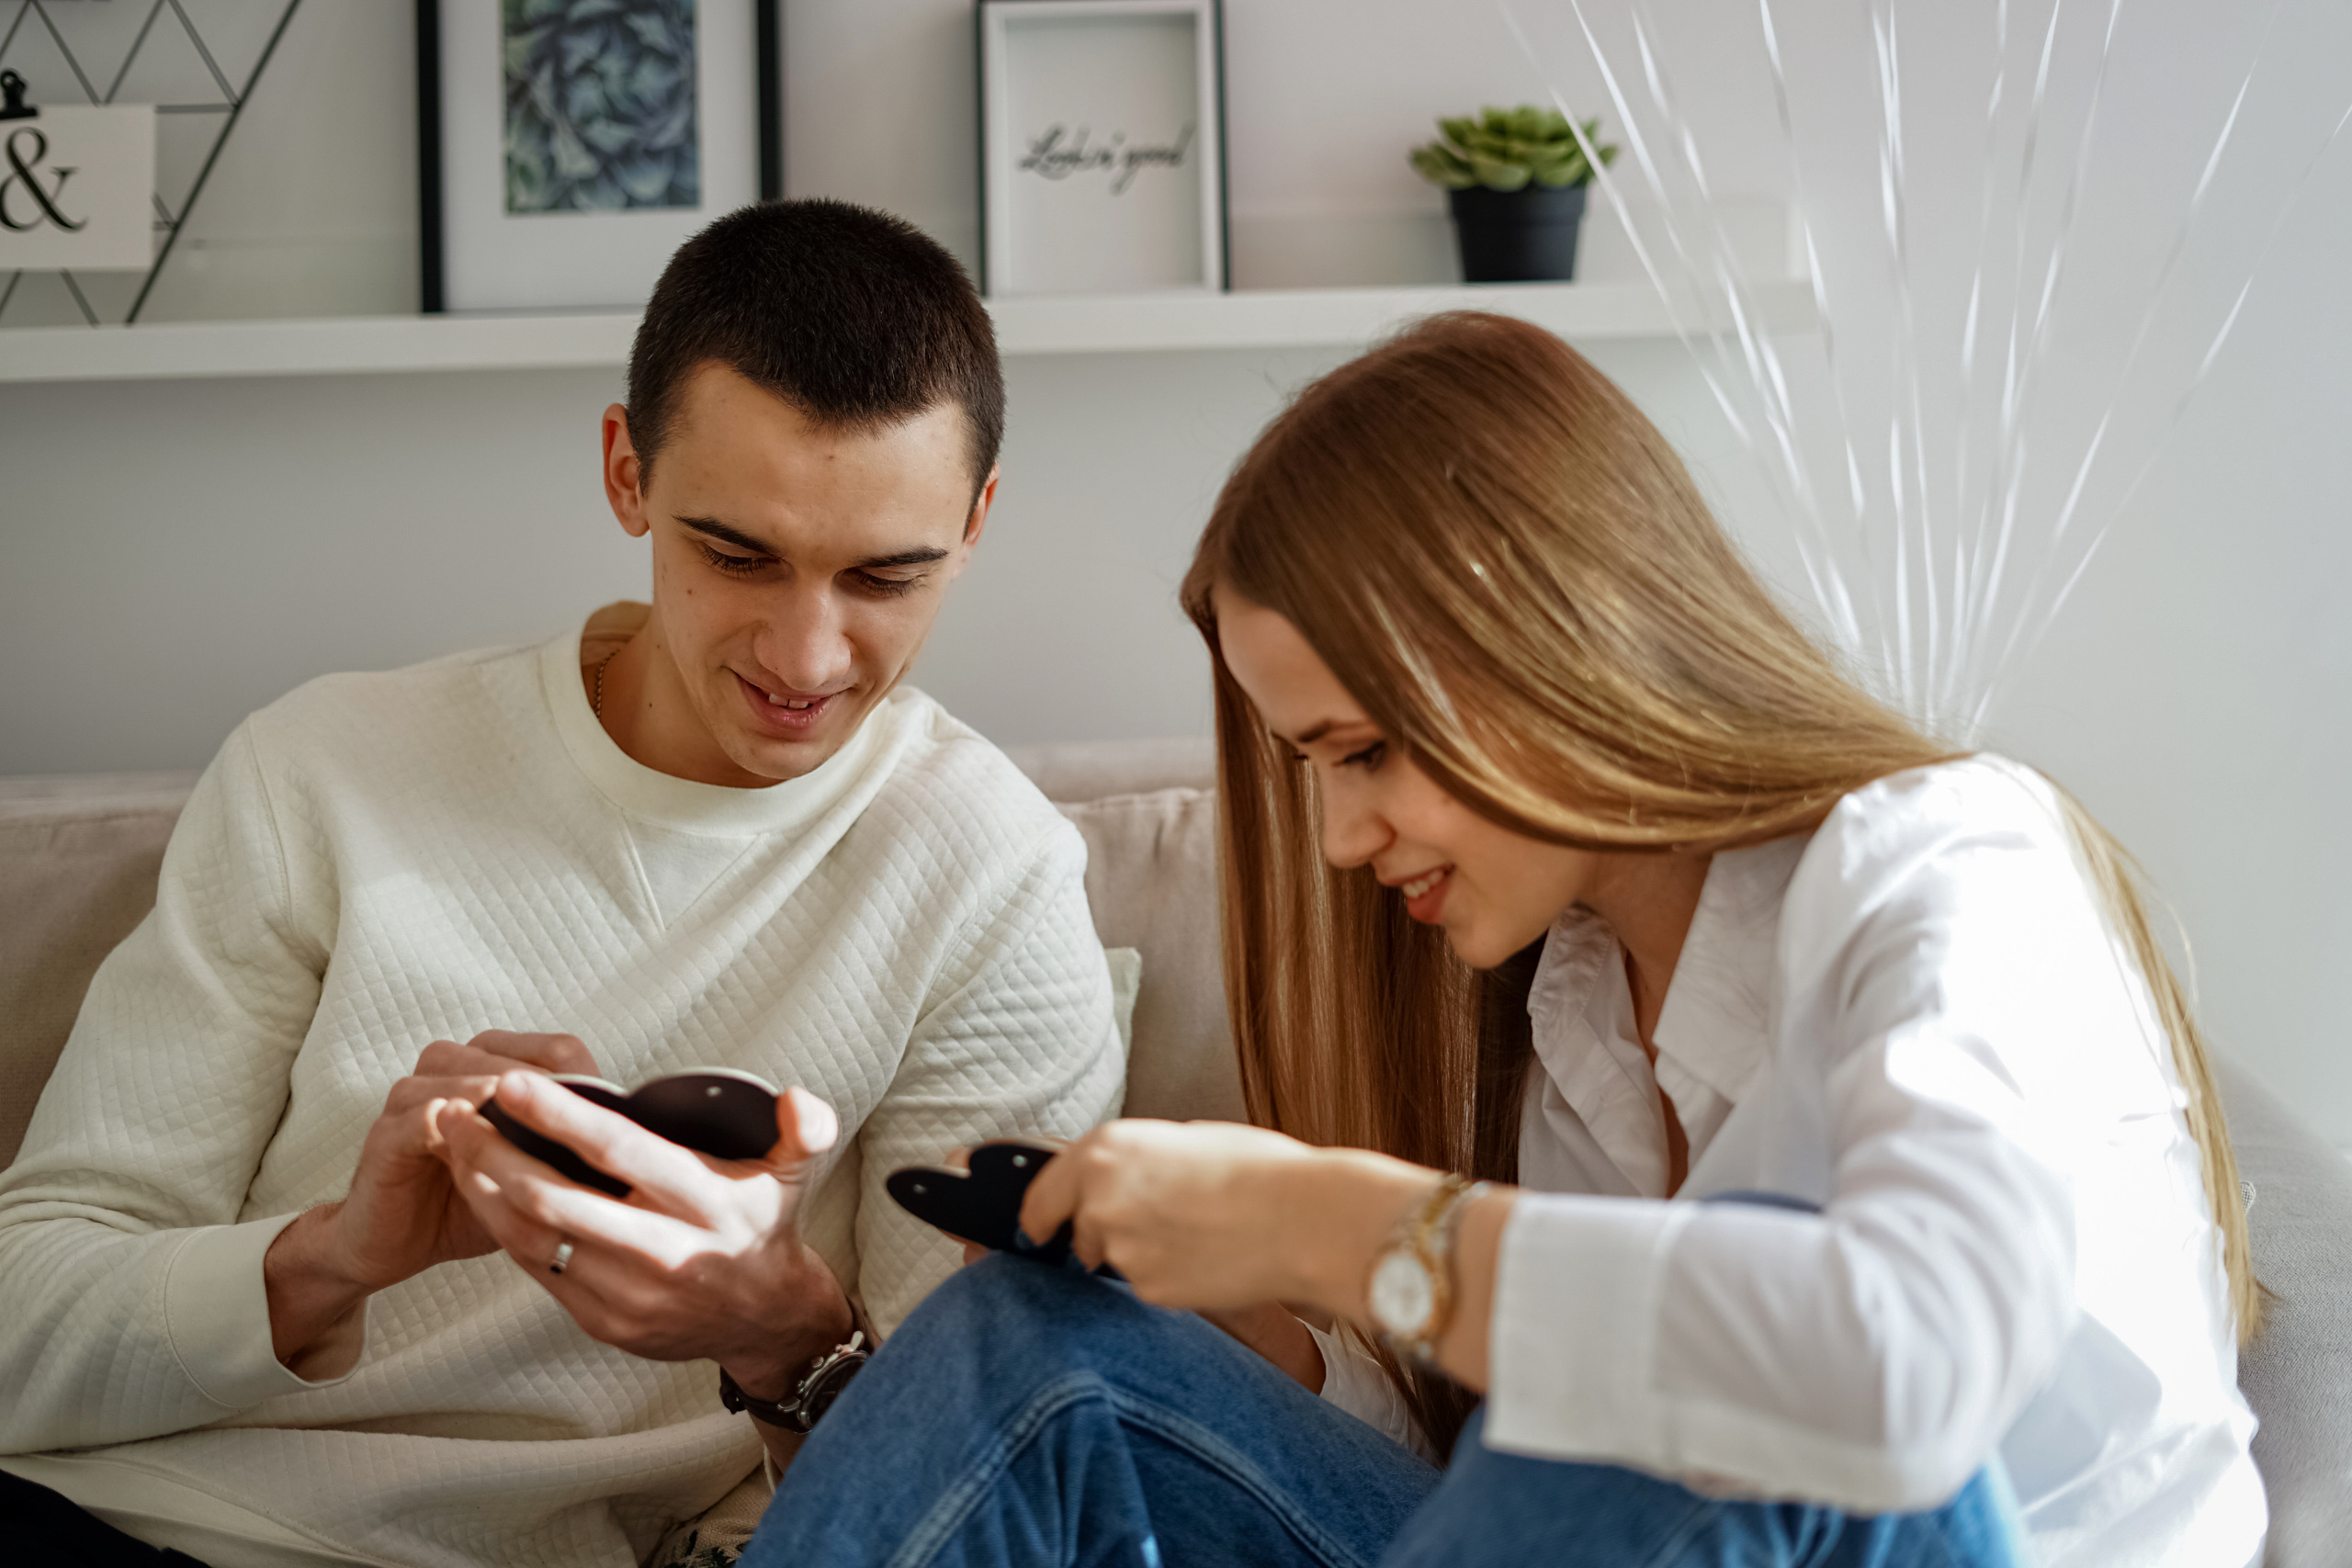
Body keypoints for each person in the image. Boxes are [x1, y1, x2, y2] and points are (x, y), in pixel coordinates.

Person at [738, 311, 2266, 1568]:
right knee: (1037, 1346)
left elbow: (1897, 1379)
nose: (1340, 838)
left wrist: (1336, 1219)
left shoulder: (1951, 861)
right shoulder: (1576, 1011)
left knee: (1711, 1376)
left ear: (1552, 645)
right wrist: (1230, 1294)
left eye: (1368, 753)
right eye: (1313, 769)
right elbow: (1506, 1478)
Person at [0, 199, 1125, 1568]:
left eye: (888, 575)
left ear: (976, 522)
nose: (808, 655)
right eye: (737, 555)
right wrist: (329, 1260)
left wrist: (785, 1333)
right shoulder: (326, 768)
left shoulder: (988, 870)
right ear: (626, 472)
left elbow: (980, 1486)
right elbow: (22, 1320)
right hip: (142, 1518)